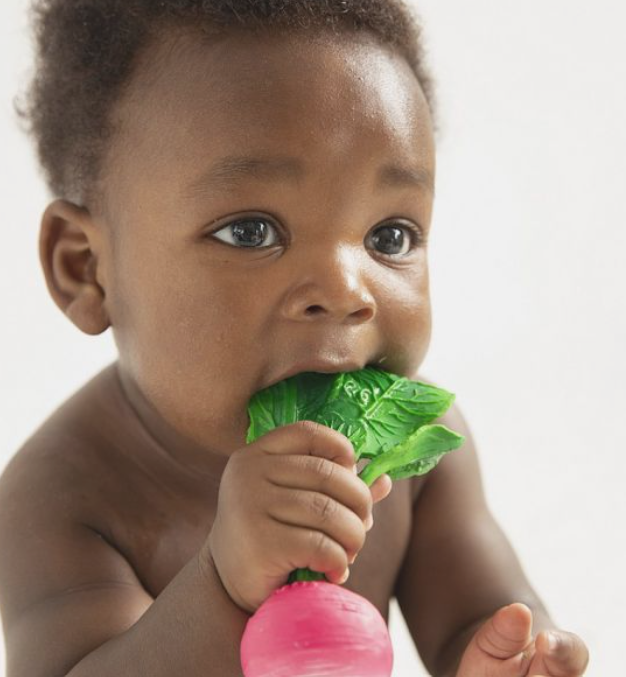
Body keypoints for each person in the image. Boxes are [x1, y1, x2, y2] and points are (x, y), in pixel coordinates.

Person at [0, 1, 589, 675]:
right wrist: (223, 582)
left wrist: (516, 655)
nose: (344, 289)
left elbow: (477, 618)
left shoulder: (417, 459)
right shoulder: (64, 496)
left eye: (388, 236)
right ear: (87, 269)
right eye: (250, 231)